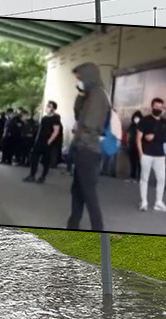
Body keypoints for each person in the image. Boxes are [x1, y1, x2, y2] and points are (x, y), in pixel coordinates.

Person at [66, 62, 109, 232]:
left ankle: (98, 228)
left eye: (80, 78)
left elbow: (89, 123)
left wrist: (79, 138)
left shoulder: (98, 95)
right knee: (77, 189)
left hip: (88, 148)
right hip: (84, 147)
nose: (78, 81)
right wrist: (81, 96)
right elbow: (78, 114)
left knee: (88, 191)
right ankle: (73, 224)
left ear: (89, 76)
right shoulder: (90, 94)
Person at [136, 98, 166, 212]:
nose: (158, 108)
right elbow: (138, 138)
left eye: (160, 107)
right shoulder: (144, 120)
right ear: (152, 106)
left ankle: (158, 202)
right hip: (146, 154)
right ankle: (144, 202)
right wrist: (141, 154)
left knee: (161, 179)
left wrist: (154, 137)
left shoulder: (165, 122)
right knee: (144, 179)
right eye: (156, 106)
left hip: (160, 155)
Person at [24, 101, 62, 183]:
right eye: (47, 106)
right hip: (39, 141)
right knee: (34, 157)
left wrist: (49, 141)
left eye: (49, 106)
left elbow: (56, 131)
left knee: (46, 161)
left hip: (47, 142)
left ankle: (43, 176)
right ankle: (32, 175)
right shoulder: (44, 118)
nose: (47, 107)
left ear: (53, 109)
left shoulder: (55, 119)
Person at [127, 111, 143, 183]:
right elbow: (128, 134)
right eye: (135, 117)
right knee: (132, 162)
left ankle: (140, 178)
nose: (136, 119)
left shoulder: (142, 126)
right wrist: (128, 142)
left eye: (137, 117)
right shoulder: (132, 125)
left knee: (139, 163)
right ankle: (132, 177)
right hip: (132, 145)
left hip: (140, 146)